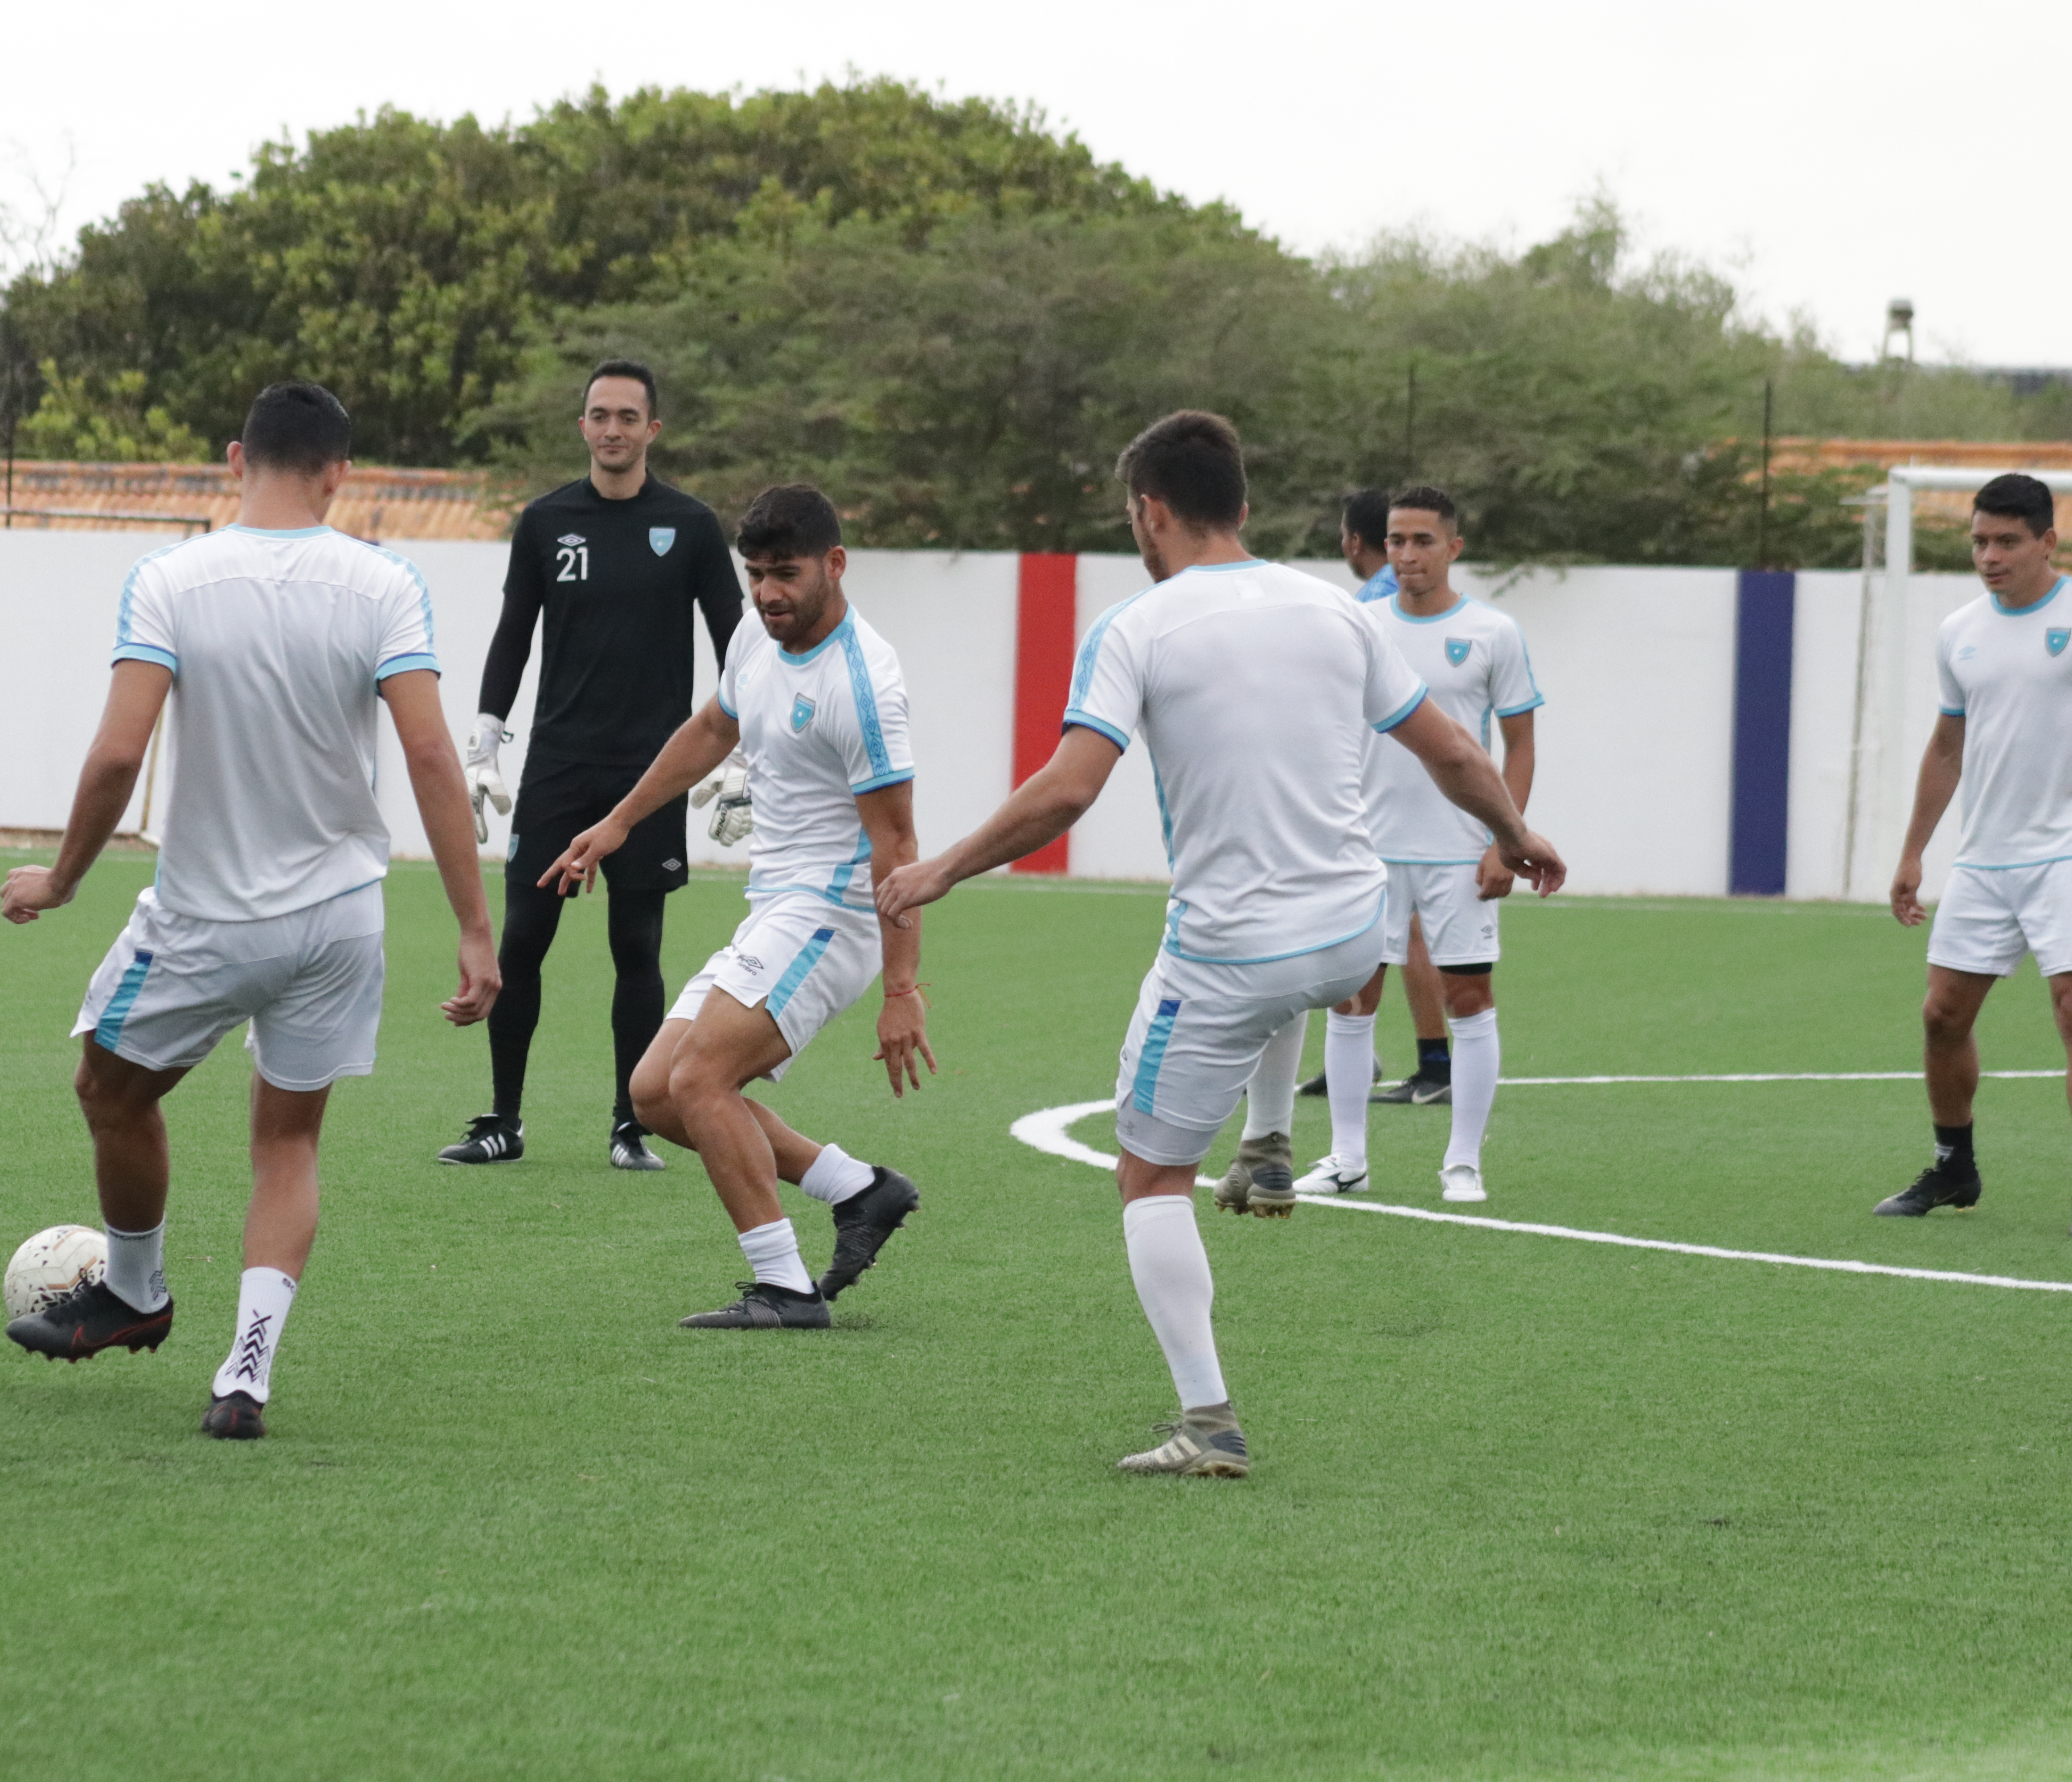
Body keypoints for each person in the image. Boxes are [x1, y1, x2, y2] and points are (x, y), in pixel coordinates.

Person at [876, 412, 1561, 1478]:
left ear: (1151, 512)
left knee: (1148, 1175)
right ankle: (1272, 1141)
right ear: (1241, 504)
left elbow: (1067, 788)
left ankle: (1209, 1419)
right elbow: (1457, 751)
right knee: (1299, 976)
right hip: (1353, 933)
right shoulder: (1342, 611)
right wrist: (1519, 836)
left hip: (1233, 953)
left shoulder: (1137, 626)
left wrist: (939, 869)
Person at [0, 381, 500, 1439]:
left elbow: (119, 752)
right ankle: (247, 1373)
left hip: (209, 920)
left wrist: (62, 879)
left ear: (237, 458)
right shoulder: (385, 582)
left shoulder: (171, 578)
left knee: (109, 1085)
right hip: (341, 921)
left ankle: (136, 1289)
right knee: (288, 1142)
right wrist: (472, 924)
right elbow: (427, 754)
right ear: (340, 473)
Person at [544, 484, 929, 1330]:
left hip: (834, 913)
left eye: (784, 575)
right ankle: (858, 1189)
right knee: (654, 1095)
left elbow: (897, 847)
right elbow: (714, 728)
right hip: (776, 908)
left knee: (700, 1076)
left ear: (835, 564)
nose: (766, 594)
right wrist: (616, 824)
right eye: (754, 574)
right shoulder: (758, 632)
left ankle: (785, 1288)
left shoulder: (863, 685)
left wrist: (904, 990)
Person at [444, 360, 746, 1172]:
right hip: (557, 769)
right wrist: (484, 739)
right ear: (581, 426)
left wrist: (741, 750)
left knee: (637, 947)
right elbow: (514, 635)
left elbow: (739, 646)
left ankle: (630, 1124)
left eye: (627, 417)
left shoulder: (690, 526)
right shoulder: (546, 523)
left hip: (651, 775)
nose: (611, 429)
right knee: (523, 943)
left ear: (654, 430)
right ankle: (503, 1121)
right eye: (598, 415)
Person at [1295, 487, 1541, 1204]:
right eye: (1397, 541)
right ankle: (1347, 1160)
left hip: (1460, 852)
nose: (1407, 555)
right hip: (1364, 852)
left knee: (1469, 997)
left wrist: (1508, 839)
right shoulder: (1357, 624)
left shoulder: (1495, 632)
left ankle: (1462, 1164)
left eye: (1423, 541)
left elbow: (1522, 744)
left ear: (1453, 548)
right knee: (1350, 999)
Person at [1876, 473, 2072, 1221]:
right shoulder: (1959, 631)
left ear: (2047, 542)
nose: (1989, 556)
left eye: (2007, 542)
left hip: (2065, 855)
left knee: (2070, 1012)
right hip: (1987, 861)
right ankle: (1955, 1168)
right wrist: (1913, 852)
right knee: (1941, 1017)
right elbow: (1948, 744)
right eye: (1979, 541)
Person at [1291, 486, 1454, 1104]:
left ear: (1350, 542)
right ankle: (1361, 1058)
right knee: (1375, 924)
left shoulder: (1371, 606)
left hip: (1383, 793)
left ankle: (1433, 1064)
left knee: (1386, 925)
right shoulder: (1398, 598)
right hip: (1406, 786)